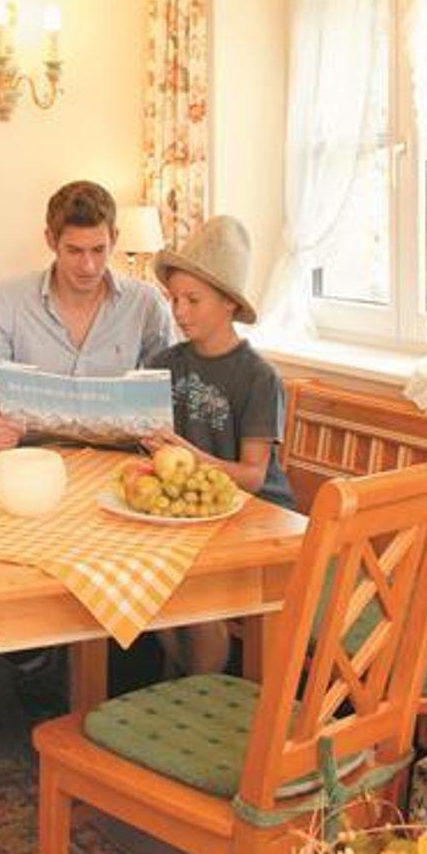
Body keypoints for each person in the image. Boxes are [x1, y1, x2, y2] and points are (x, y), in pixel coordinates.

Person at [139, 213, 295, 674]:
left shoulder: (259, 378)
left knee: (192, 591)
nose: (179, 312)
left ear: (229, 303)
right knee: (148, 578)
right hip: (191, 514)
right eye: (174, 299)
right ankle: (187, 681)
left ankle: (202, 684)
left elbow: (253, 477)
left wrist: (188, 455)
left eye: (193, 300)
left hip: (257, 516)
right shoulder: (163, 363)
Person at [0, 181, 177, 451]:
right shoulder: (6, 300)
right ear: (51, 240)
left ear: (114, 238)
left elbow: (171, 391)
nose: (88, 266)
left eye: (98, 250)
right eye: (74, 251)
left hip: (122, 462)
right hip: (32, 460)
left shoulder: (146, 304)